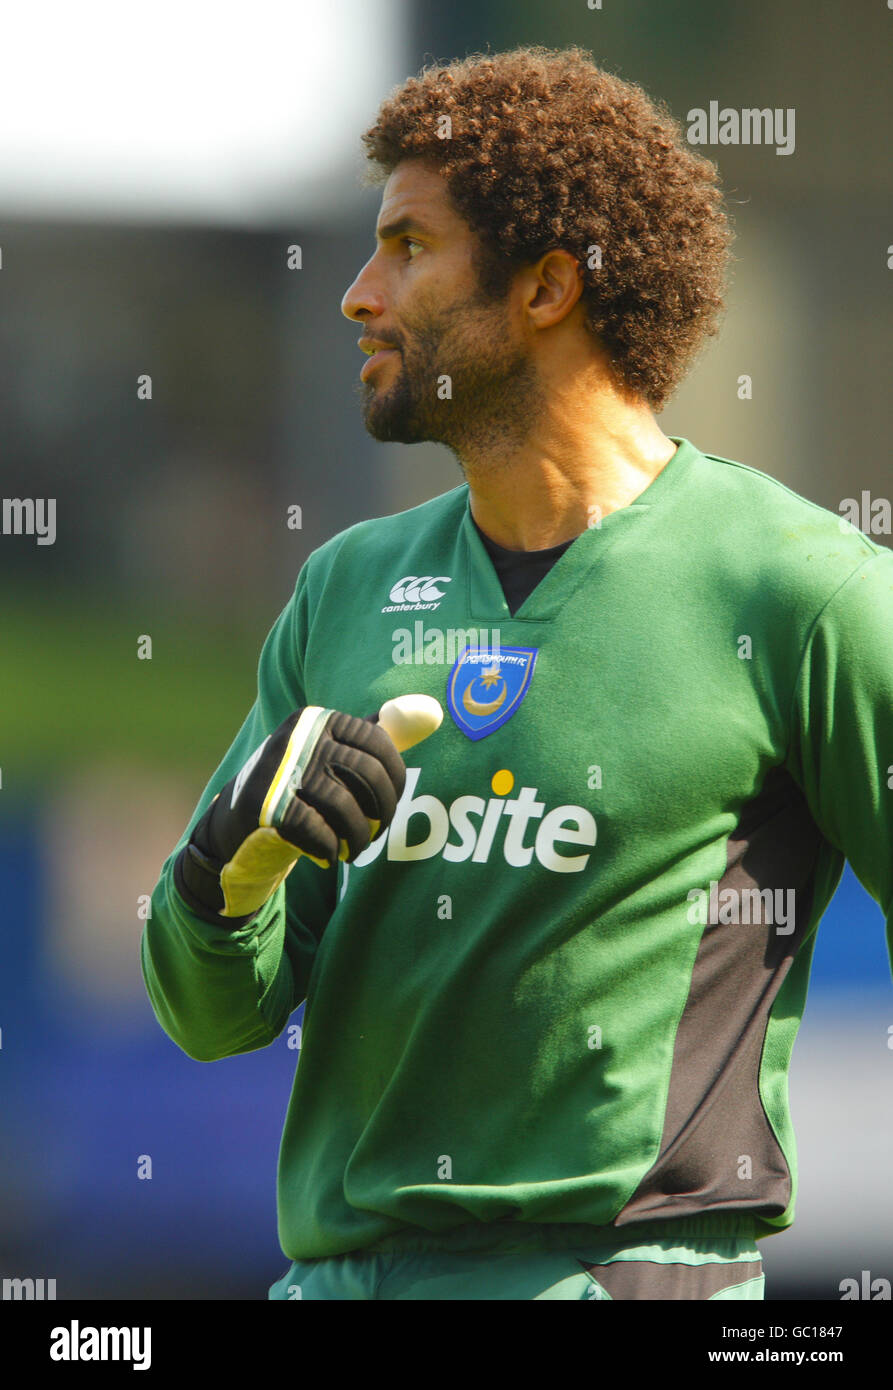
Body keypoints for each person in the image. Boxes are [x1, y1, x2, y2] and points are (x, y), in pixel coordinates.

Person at [142, 46, 893, 1300]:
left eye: (406, 246)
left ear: (546, 286)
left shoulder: (800, 588)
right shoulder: (344, 585)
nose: (356, 294)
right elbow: (210, 1014)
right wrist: (232, 863)